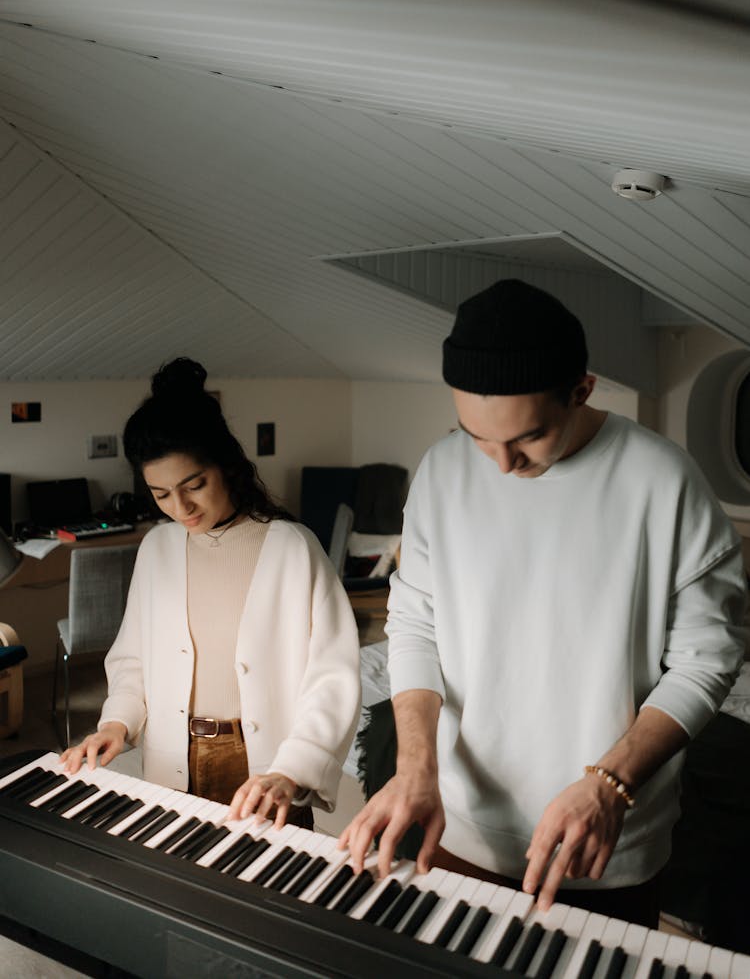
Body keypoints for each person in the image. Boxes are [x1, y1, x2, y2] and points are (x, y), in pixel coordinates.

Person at [340, 278, 747, 925]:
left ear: (581, 390)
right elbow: (416, 625)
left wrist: (611, 784)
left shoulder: (665, 481)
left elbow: (706, 658)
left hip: (600, 840)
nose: (499, 466)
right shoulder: (443, 471)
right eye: (476, 436)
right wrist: (416, 767)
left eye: (526, 438)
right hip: (459, 822)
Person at [62, 358, 361, 828]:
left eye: (194, 485)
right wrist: (115, 724)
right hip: (171, 761)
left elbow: (332, 678)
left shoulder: (291, 547)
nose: (180, 508)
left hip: (264, 772)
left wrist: (293, 768)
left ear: (226, 465)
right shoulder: (157, 548)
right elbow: (133, 662)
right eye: (160, 494)